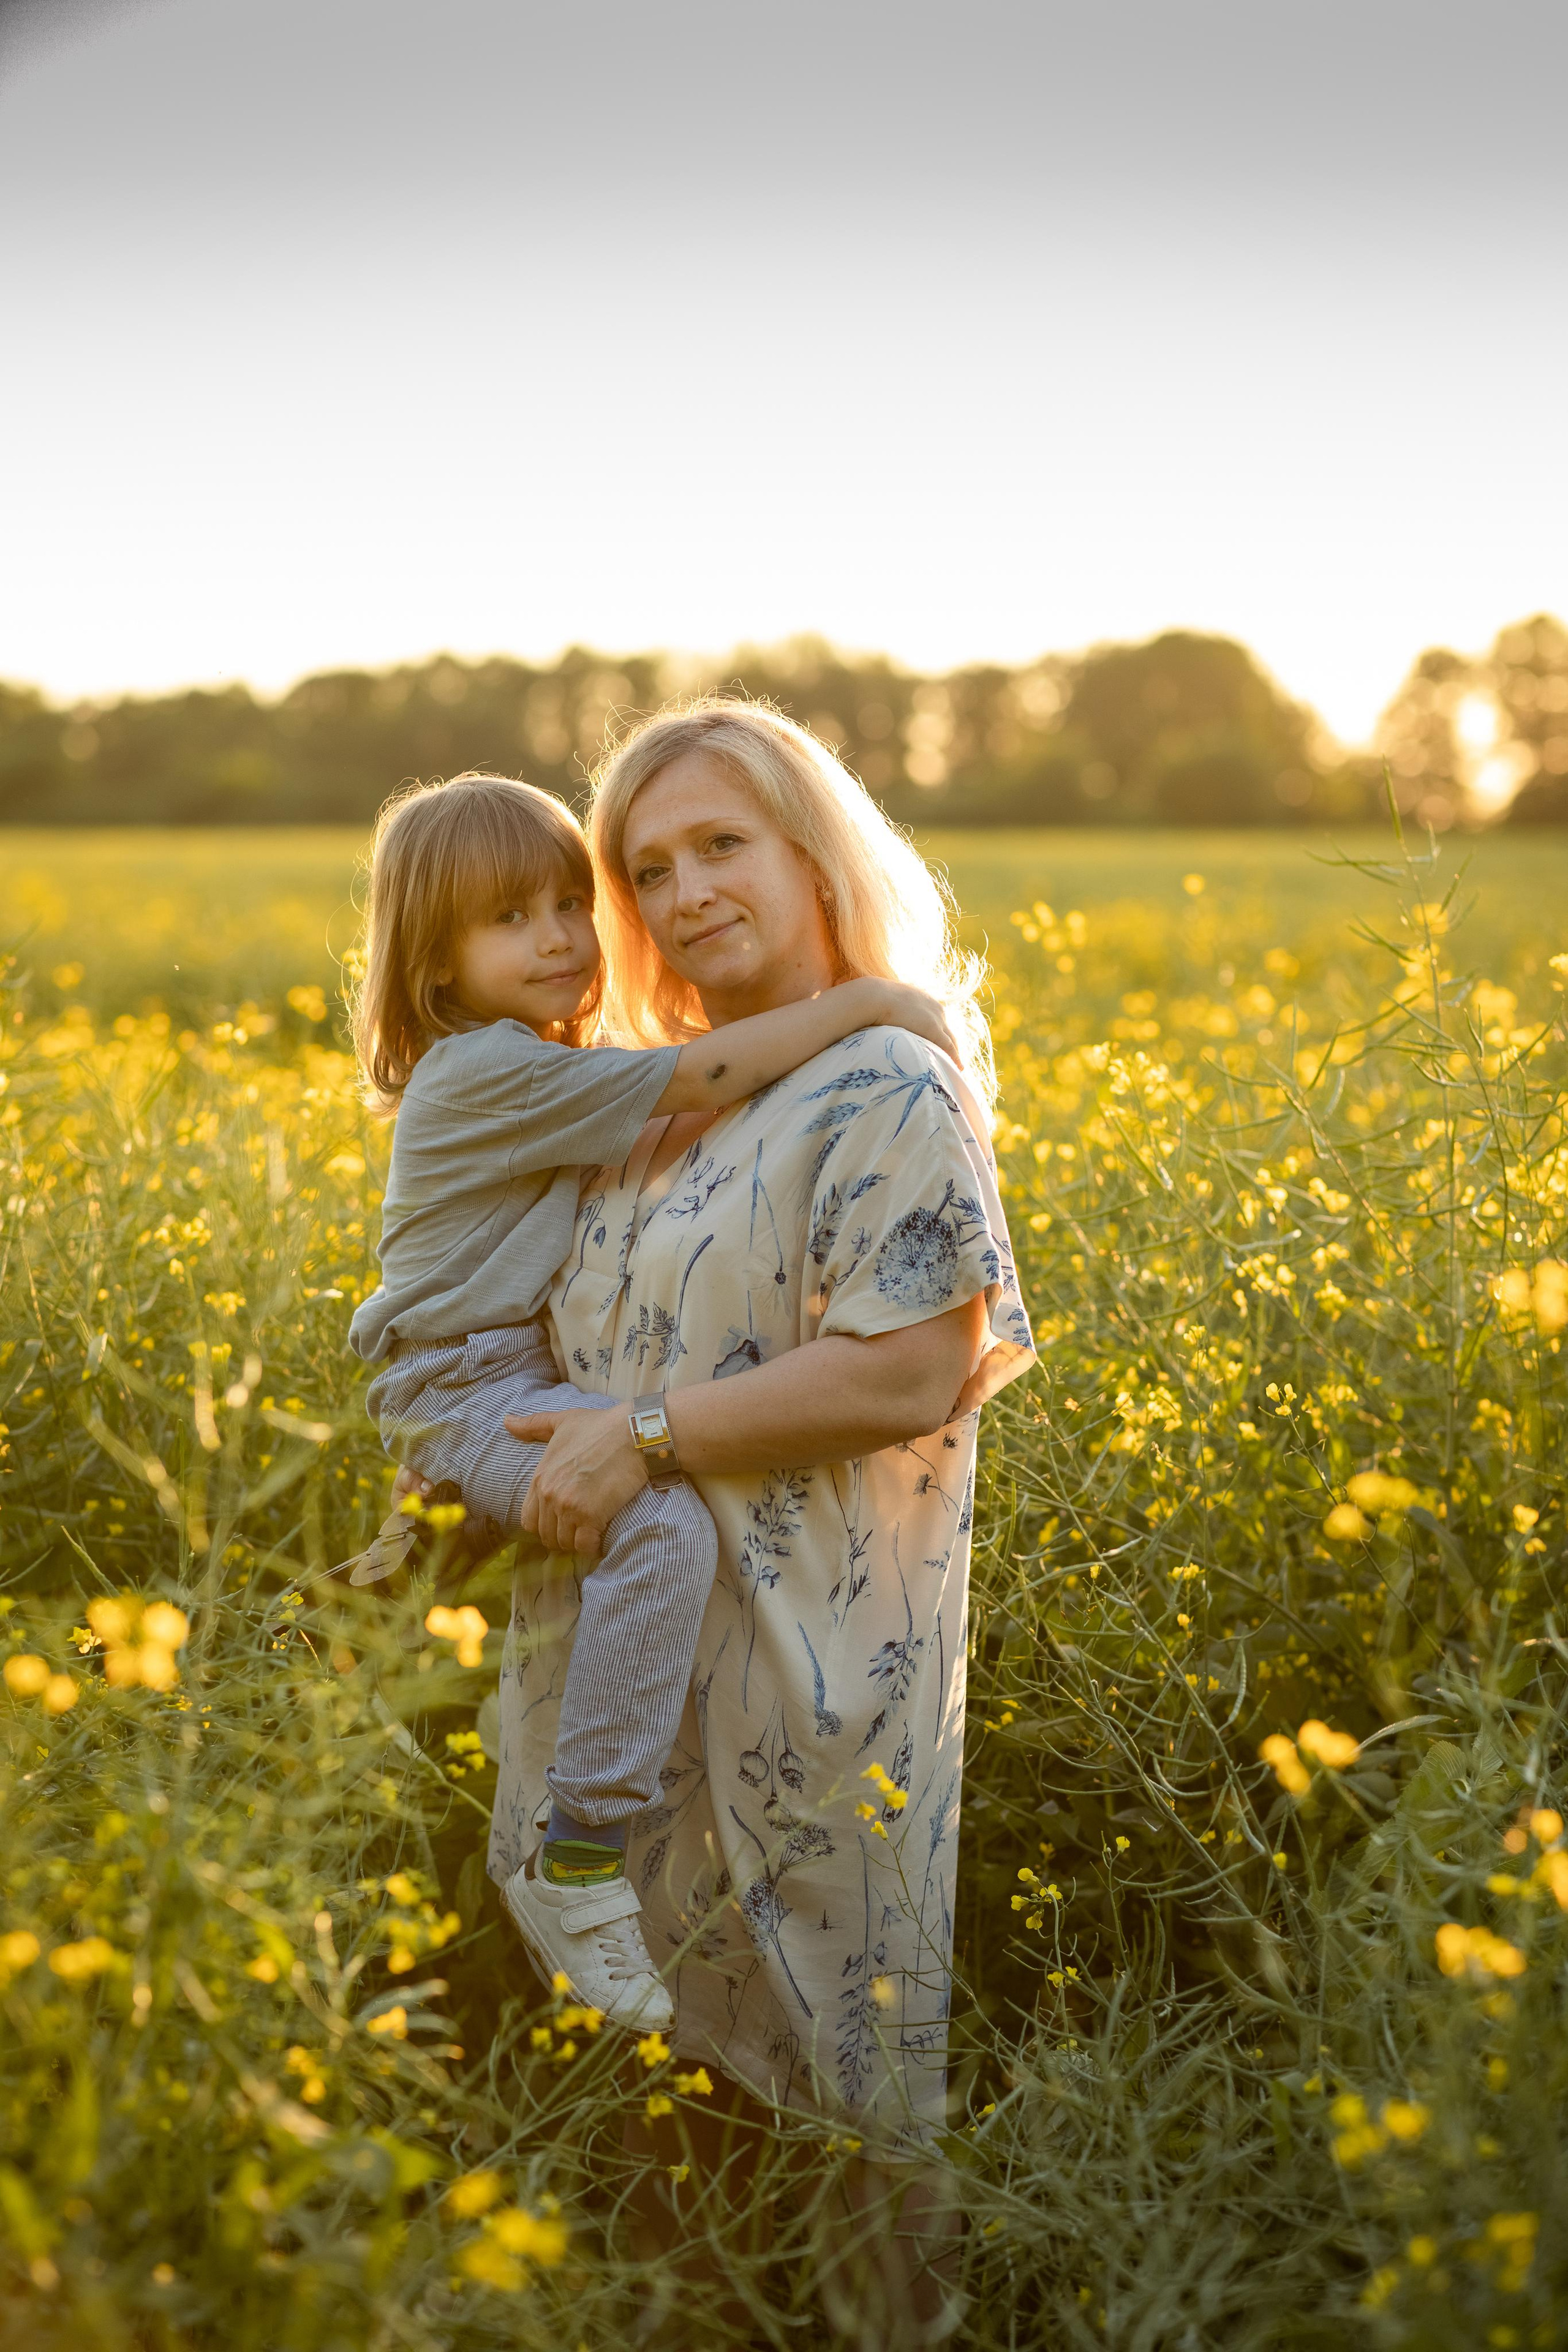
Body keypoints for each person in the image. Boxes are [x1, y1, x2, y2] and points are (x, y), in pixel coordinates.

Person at [484, 703, 1036, 2202]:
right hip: (604, 1702)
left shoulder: (888, 1084)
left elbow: (915, 1364)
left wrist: (644, 1439)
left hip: (804, 1702)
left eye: (718, 845)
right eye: (647, 869)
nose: (682, 895)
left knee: (849, 2146)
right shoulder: (654, 1102)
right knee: (638, 2161)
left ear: (811, 854)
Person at [343, 769, 962, 2032]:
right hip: (474, 1386)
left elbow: (907, 1364)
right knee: (665, 1531)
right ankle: (584, 1864)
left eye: (573, 902)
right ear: (434, 962)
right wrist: (882, 1002)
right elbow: (706, 1071)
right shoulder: (496, 1072)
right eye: (511, 919)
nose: (564, 938)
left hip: (515, 1400)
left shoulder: (556, 1072)